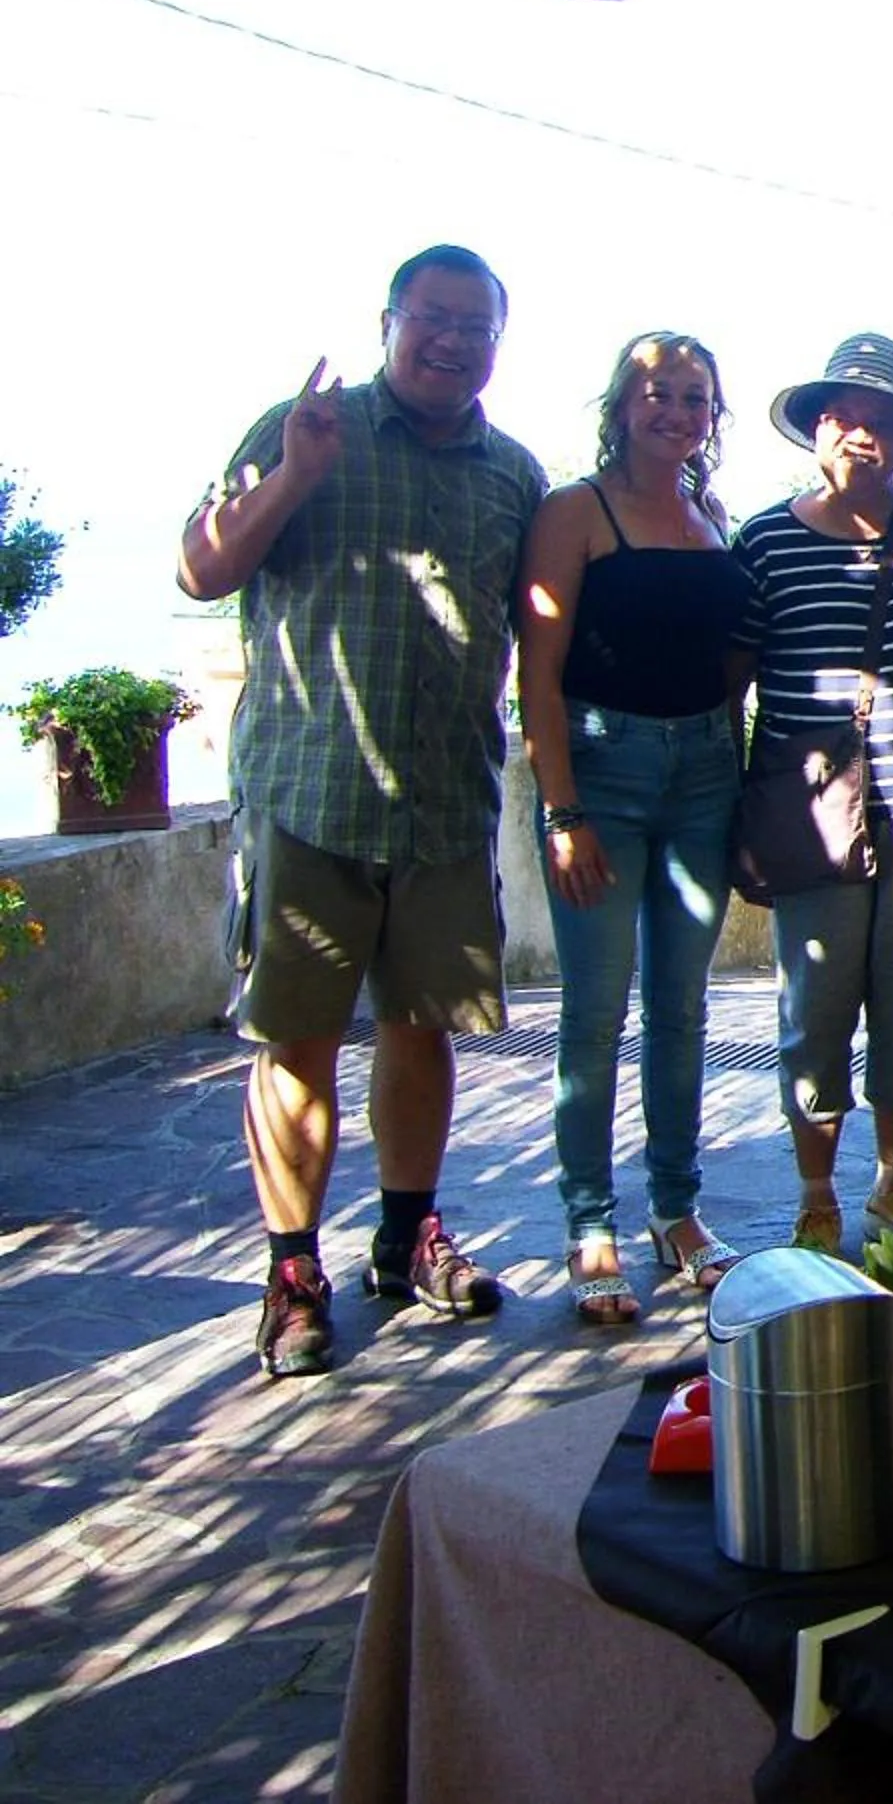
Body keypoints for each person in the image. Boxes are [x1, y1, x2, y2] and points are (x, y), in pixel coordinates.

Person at [177, 244, 546, 1379]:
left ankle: (404, 1234)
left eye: (474, 326)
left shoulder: (514, 473)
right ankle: (292, 1271)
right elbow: (200, 570)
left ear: (498, 340)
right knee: (296, 1043)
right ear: (390, 321)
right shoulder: (306, 430)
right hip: (309, 794)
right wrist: (289, 476)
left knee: (420, 1029)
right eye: (431, 319)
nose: (451, 342)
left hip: (443, 799)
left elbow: (541, 629)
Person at [517, 333, 755, 1323]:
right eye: (658, 393)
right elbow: (537, 670)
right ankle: (587, 1222)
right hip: (602, 772)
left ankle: (676, 1210)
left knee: (683, 1009)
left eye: (695, 397)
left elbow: (731, 650)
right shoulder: (576, 512)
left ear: (713, 417)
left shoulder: (711, 516)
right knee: (594, 1013)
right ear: (621, 405)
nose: (676, 410)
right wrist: (563, 810)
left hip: (704, 769)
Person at [734, 334, 893, 1259]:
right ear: (817, 428)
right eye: (846, 418)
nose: (862, 436)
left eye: (883, 422)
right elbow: (736, 675)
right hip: (809, 814)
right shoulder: (765, 541)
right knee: (815, 1010)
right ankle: (814, 1195)